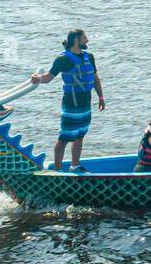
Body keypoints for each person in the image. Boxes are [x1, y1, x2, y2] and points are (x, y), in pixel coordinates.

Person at [32, 28, 105, 173]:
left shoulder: (89, 57)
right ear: (76, 40)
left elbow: (95, 78)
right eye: (84, 38)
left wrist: (101, 97)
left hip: (85, 102)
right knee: (64, 137)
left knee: (80, 136)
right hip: (71, 104)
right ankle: (58, 170)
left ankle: (75, 165)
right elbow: (48, 77)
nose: (87, 40)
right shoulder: (62, 60)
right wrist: (38, 79)